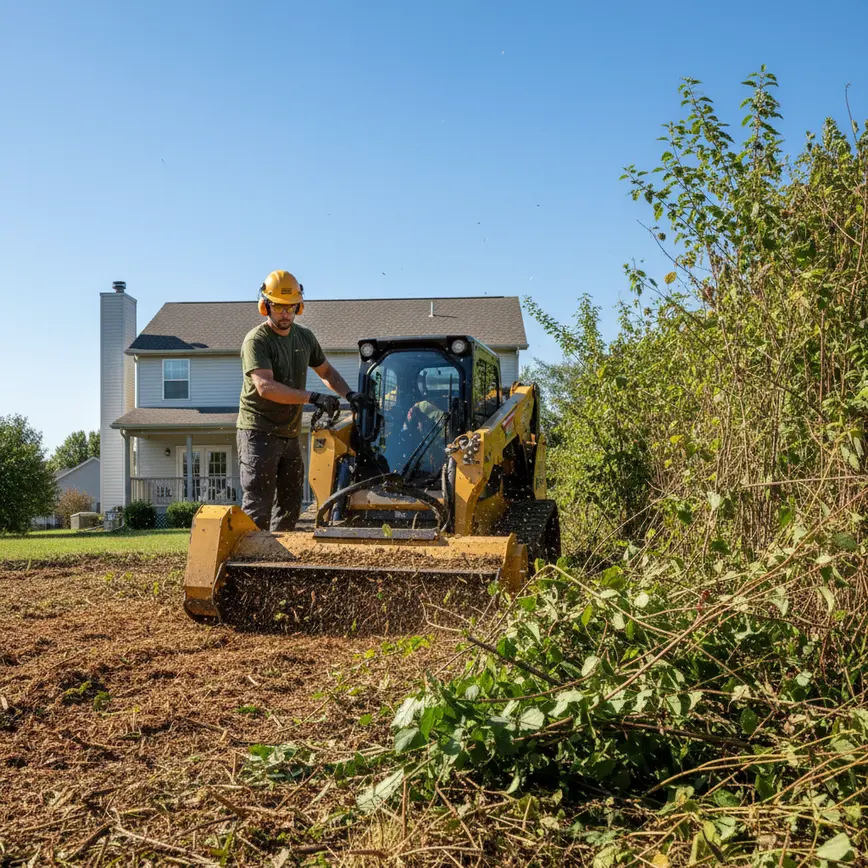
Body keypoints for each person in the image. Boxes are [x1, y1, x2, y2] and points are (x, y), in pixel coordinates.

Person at [236, 270, 372, 531]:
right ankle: (251, 564)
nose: (285, 314)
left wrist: (350, 395)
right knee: (259, 501)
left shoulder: (304, 337)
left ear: (299, 305)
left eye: (290, 307)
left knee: (290, 503)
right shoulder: (257, 340)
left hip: (289, 432)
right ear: (265, 305)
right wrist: (313, 397)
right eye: (278, 307)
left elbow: (327, 372)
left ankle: (280, 563)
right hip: (258, 432)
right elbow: (265, 387)